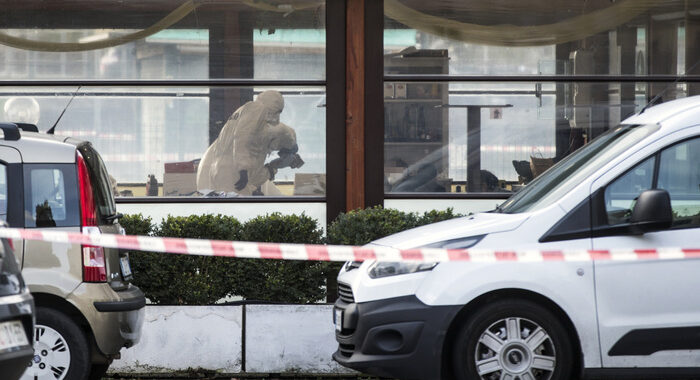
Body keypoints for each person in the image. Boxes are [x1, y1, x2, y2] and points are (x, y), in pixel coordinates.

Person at [196, 90, 304, 195]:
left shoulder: (245, 118)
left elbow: (252, 178)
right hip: (227, 175)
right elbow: (242, 137)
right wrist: (243, 169)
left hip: (212, 175)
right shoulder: (257, 109)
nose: (273, 150)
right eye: (282, 149)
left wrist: (273, 167)